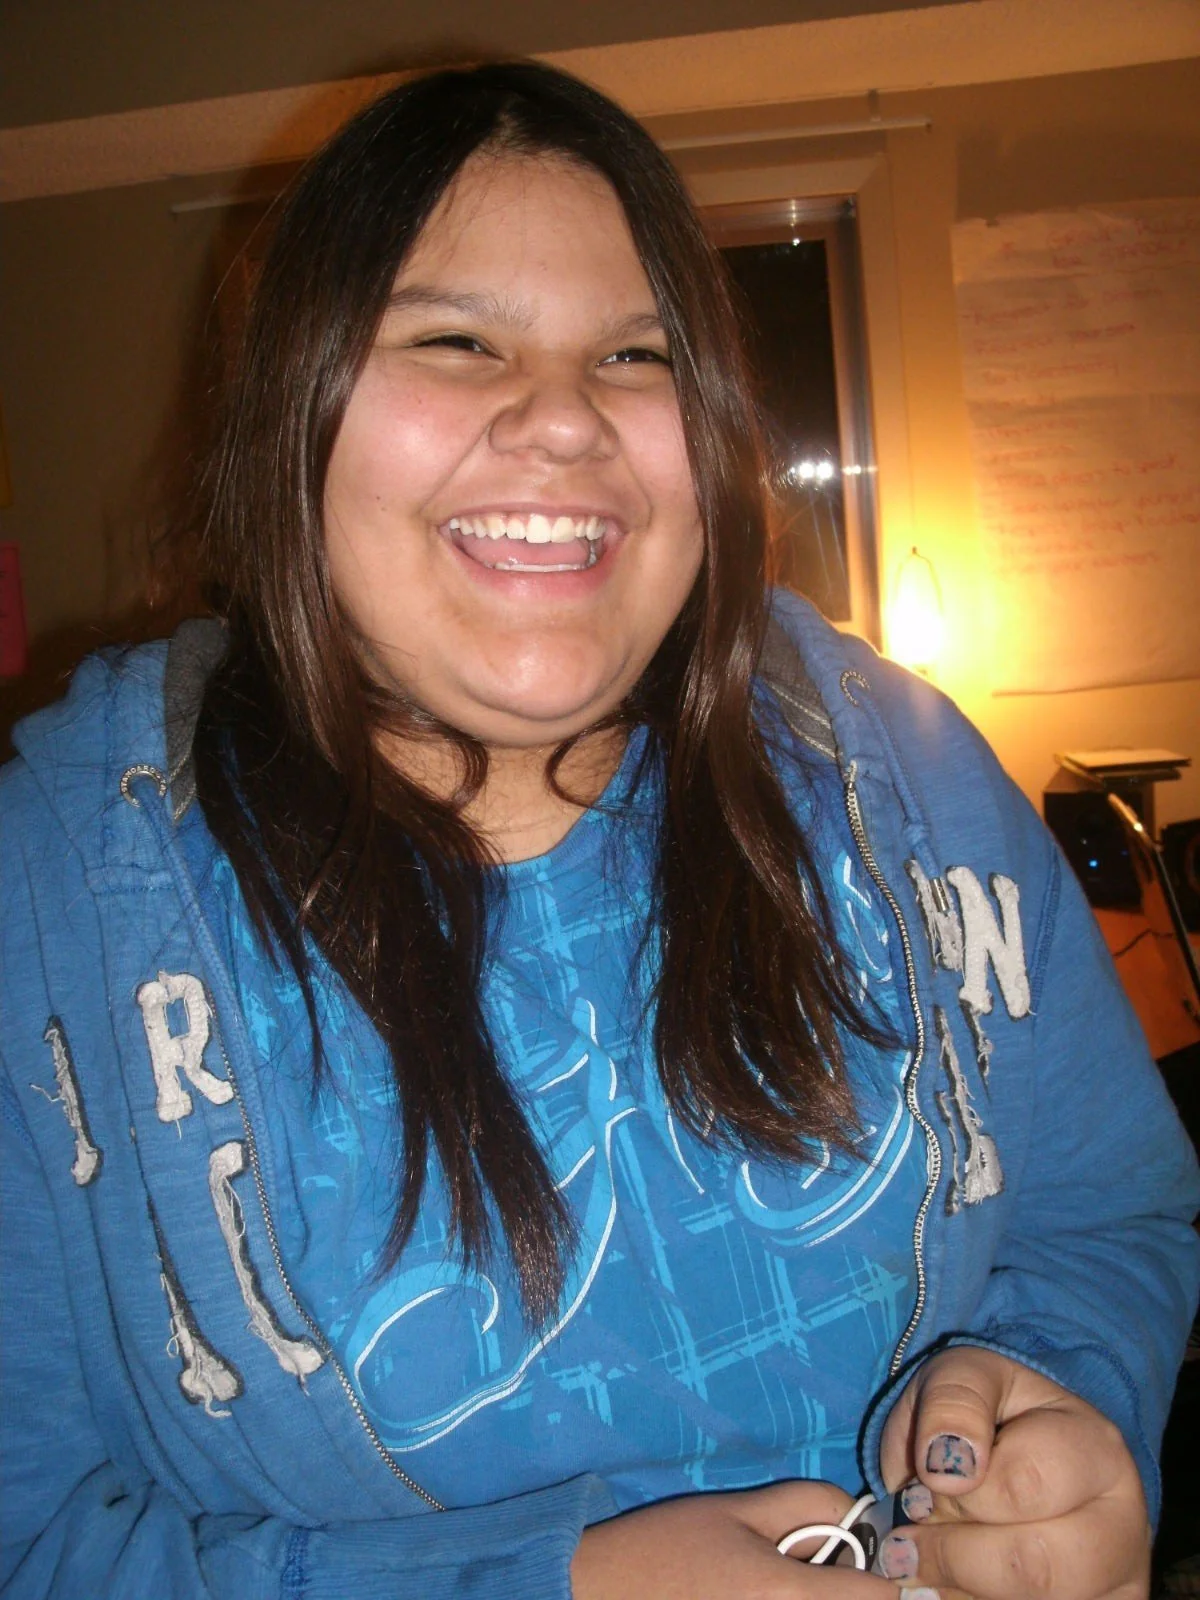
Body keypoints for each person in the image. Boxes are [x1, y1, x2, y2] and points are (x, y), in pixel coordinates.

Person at [1, 59, 1196, 1600]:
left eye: (634, 354)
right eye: (456, 338)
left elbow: (1107, 1217)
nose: (562, 417)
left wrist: (1061, 1407)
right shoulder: (48, 898)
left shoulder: (909, 775)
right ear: (292, 413)